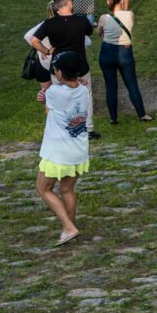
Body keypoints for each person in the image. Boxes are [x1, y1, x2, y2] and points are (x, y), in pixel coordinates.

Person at [37, 51, 91, 247]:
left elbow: (49, 111)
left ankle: (68, 227)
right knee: (67, 189)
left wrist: (44, 99)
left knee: (44, 188)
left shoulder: (54, 92)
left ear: (60, 73)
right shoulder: (84, 90)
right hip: (78, 148)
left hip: (58, 151)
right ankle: (69, 227)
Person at [30, 0, 98, 138]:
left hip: (58, 66)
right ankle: (88, 128)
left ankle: (62, 126)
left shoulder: (49, 24)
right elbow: (90, 31)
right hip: (79, 65)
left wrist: (47, 51)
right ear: (69, 3)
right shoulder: (81, 21)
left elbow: (34, 40)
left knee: (59, 97)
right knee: (86, 95)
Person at [97, 0, 151, 122]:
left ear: (108, 2)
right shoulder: (130, 14)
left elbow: (99, 32)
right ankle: (142, 114)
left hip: (107, 52)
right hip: (125, 52)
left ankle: (113, 118)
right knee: (131, 84)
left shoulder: (104, 18)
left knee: (111, 86)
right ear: (121, 0)